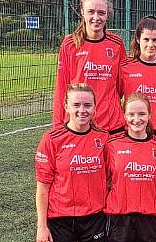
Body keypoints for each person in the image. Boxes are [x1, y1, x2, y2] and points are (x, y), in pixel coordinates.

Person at [35, 83, 108, 242]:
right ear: (66, 106)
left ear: (95, 107)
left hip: (95, 219)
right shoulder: (52, 139)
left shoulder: (104, 139)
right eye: (76, 105)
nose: (82, 110)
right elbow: (43, 188)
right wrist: (42, 226)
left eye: (87, 105)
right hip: (60, 220)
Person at [53, 0, 126, 134]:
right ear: (82, 12)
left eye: (101, 13)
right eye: (91, 11)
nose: (96, 17)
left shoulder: (116, 44)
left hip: (111, 125)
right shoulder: (70, 44)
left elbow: (121, 86)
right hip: (79, 124)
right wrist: (58, 126)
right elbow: (62, 88)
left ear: (107, 15)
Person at [104, 93, 156, 242]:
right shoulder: (112, 144)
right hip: (119, 218)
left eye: (142, 114)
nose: (136, 119)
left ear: (149, 115)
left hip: (149, 218)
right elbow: (106, 181)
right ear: (124, 115)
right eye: (131, 114)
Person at [118, 16, 156, 147]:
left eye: (155, 40)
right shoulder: (125, 67)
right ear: (138, 39)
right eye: (146, 39)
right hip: (133, 129)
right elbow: (115, 97)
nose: (151, 45)